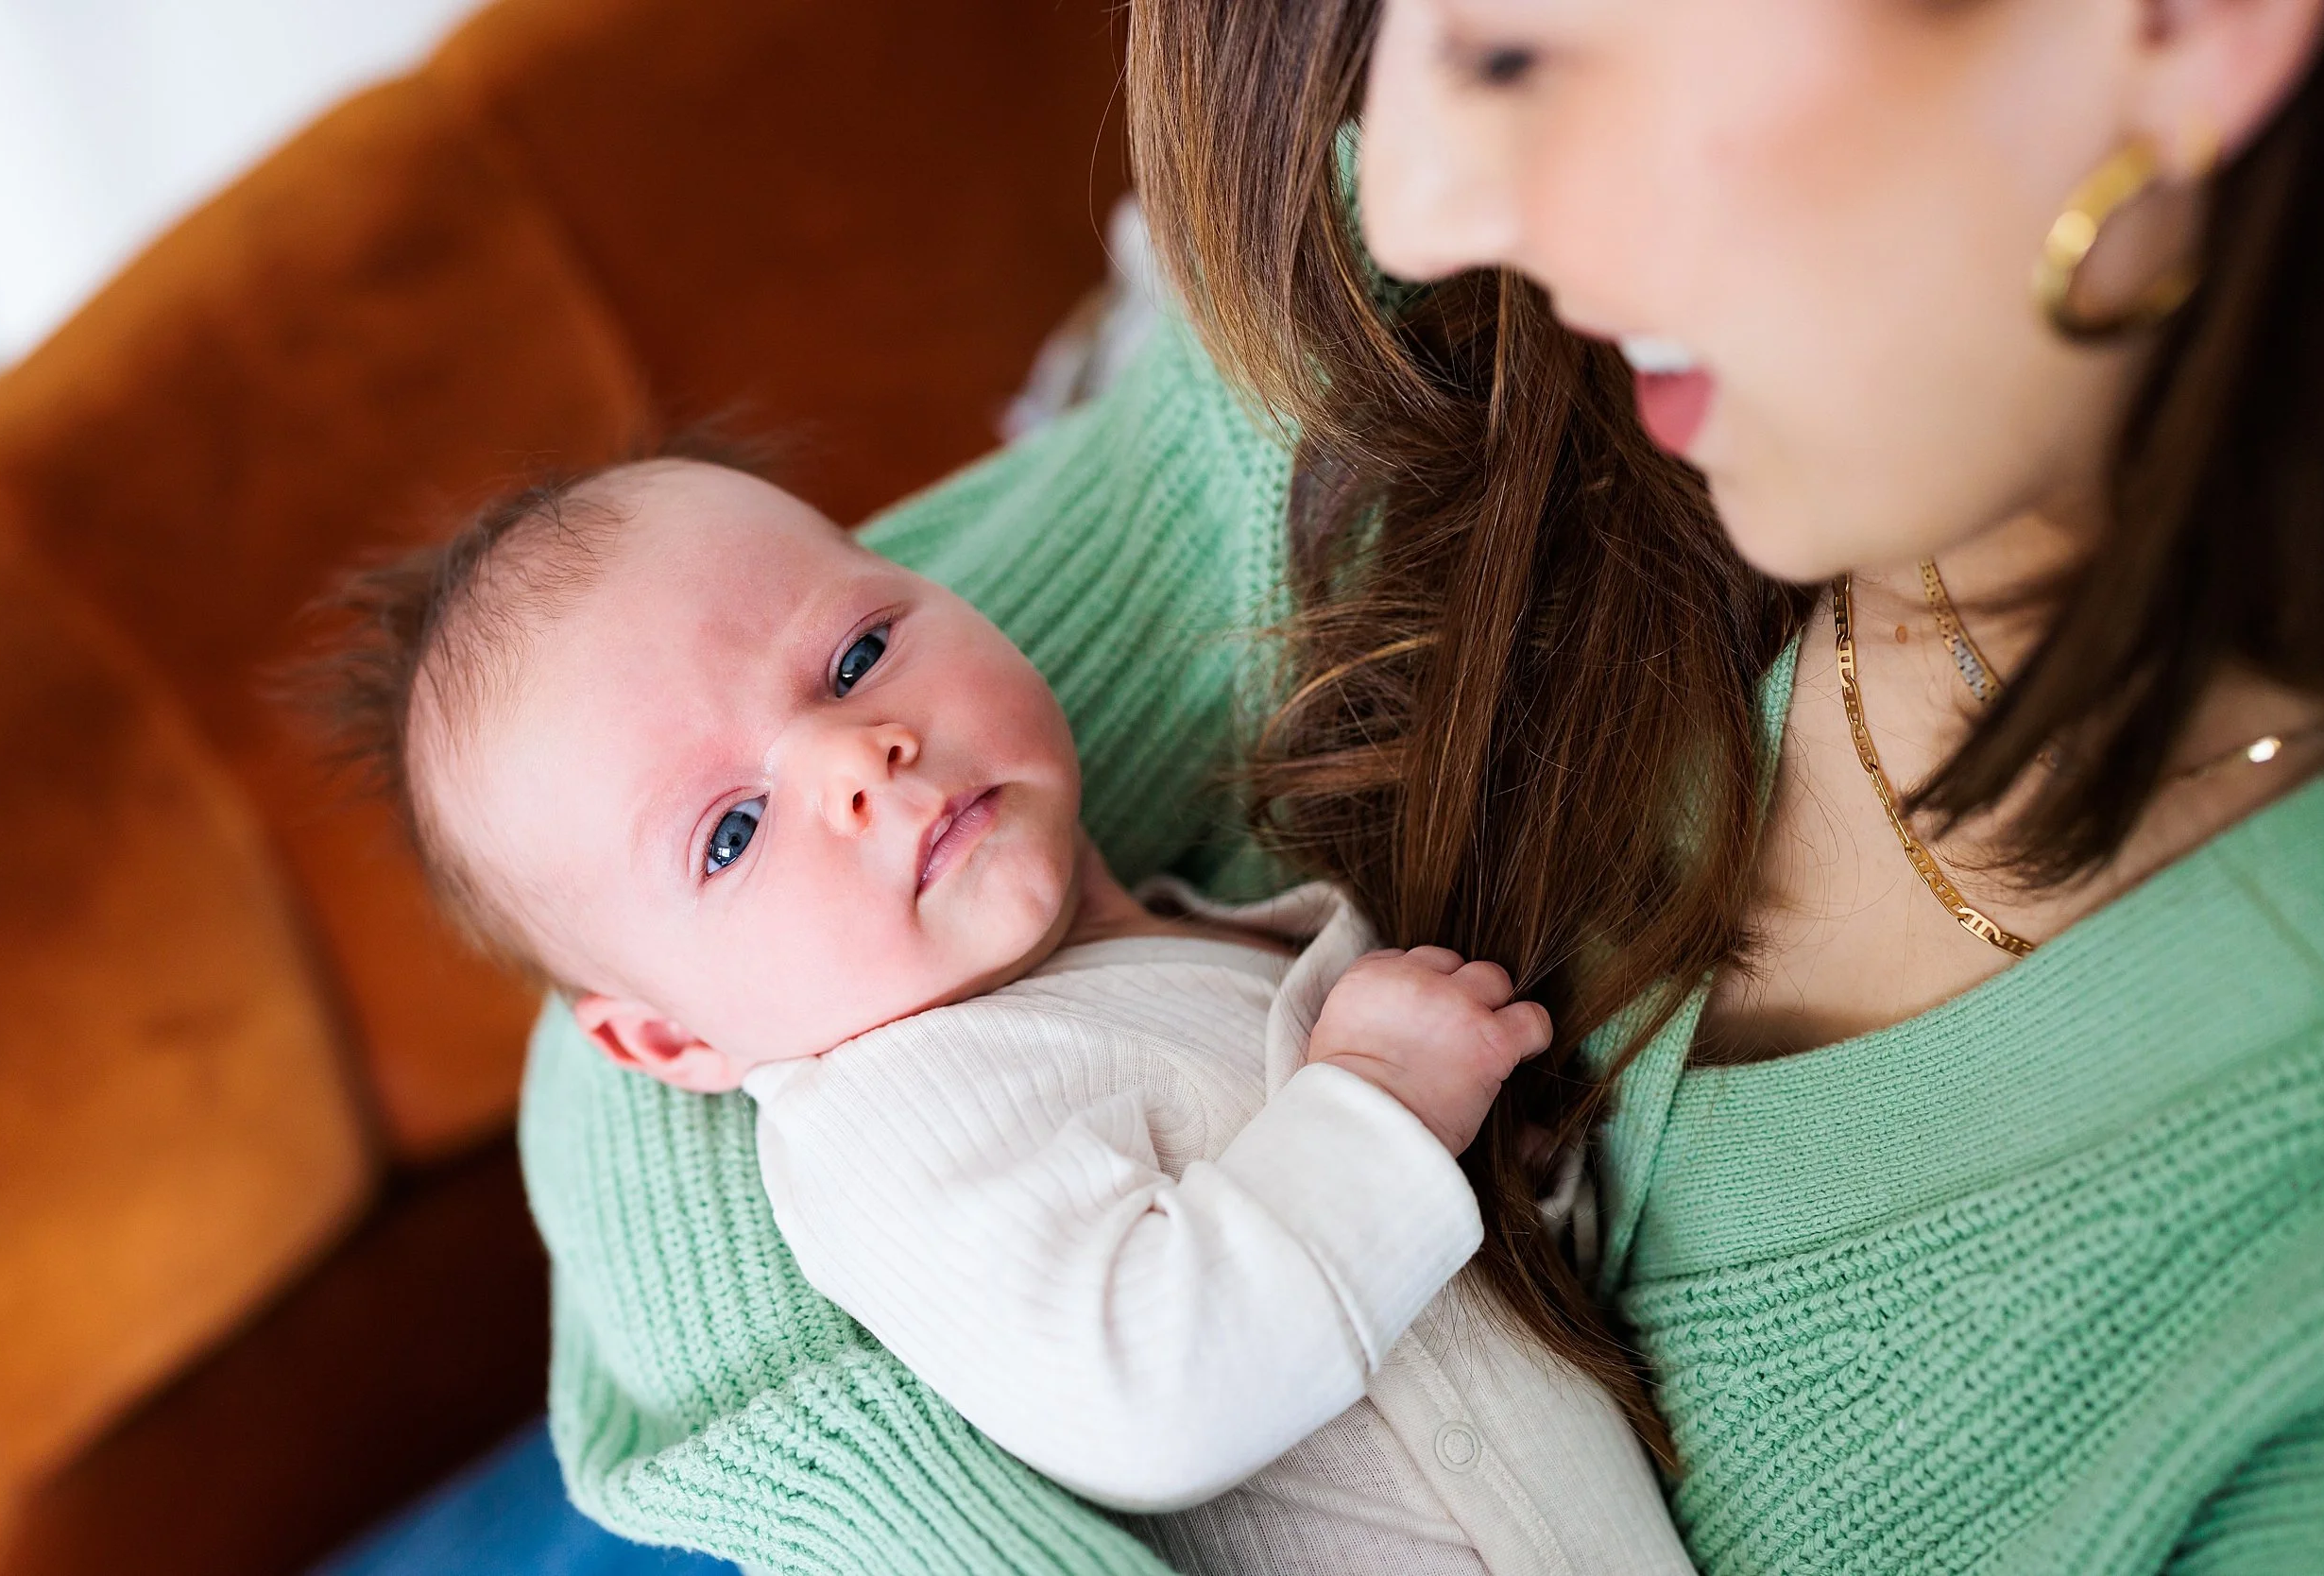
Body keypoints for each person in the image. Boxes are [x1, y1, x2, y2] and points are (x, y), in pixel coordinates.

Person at [522, 0, 2324, 1569]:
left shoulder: (2281, 1248)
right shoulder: (1432, 314)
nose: (1414, 193)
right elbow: (614, 984)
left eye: (1524, 38)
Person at [330, 454, 1688, 1574]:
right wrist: (1383, 1101)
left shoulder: (1187, 931)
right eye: (732, 834)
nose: (863, 759)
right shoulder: (891, 1123)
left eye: (858, 654)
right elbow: (1150, 1388)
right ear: (673, 1043)